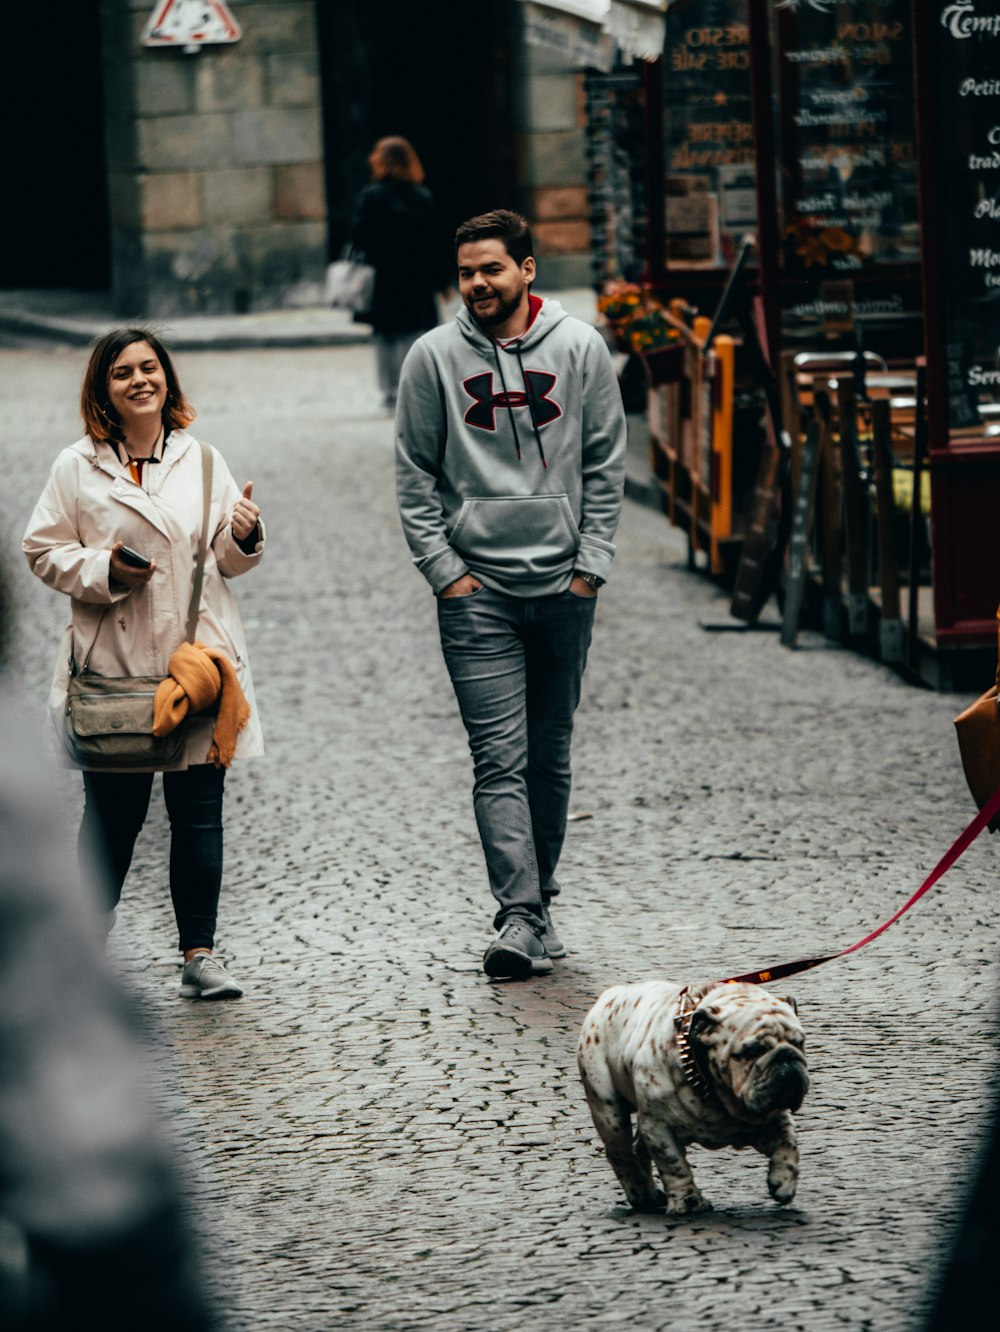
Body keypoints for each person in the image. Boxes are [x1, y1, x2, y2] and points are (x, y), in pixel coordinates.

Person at [394, 208, 627, 979]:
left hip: (564, 584)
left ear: (528, 269)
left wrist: (589, 566)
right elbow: (414, 474)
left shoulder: (581, 347)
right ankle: (518, 915)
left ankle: (541, 898)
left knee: (550, 758)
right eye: (466, 272)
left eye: (492, 268)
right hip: (478, 594)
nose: (477, 285)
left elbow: (604, 462)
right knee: (499, 759)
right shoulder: (431, 358)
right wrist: (446, 574)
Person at [22, 327, 265, 1001]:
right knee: (113, 816)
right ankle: (82, 952)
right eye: (123, 372)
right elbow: (42, 550)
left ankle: (200, 954)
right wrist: (104, 568)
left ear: (168, 379)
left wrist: (242, 534)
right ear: (104, 388)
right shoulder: (77, 466)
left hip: (193, 666)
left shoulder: (204, 461)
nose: (140, 380)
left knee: (197, 810)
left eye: (150, 368)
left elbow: (222, 559)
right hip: (116, 664)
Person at [350, 135, 451, 411]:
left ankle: (390, 392)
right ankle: (414, 388)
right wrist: (442, 282)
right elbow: (435, 242)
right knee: (414, 335)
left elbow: (359, 237)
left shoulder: (372, 196)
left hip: (383, 277)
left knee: (385, 336)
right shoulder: (422, 196)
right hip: (416, 277)